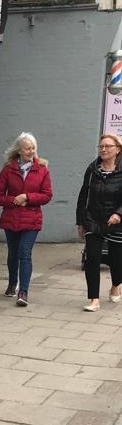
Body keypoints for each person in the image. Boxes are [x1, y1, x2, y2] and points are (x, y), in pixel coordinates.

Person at [0, 132, 53, 307]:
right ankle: (12, 282)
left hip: (32, 219)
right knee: (13, 254)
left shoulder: (42, 169)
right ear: (19, 150)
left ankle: (23, 291)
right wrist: (13, 200)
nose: (31, 151)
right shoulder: (7, 170)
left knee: (24, 253)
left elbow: (47, 195)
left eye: (33, 148)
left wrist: (27, 197)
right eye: (27, 148)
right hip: (11, 217)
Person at [76, 133, 122, 311]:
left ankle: (116, 284)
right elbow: (83, 196)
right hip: (93, 220)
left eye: (108, 146)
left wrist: (119, 214)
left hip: (117, 222)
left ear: (117, 149)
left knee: (117, 261)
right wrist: (81, 221)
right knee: (92, 258)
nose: (103, 149)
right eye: (101, 146)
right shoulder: (92, 169)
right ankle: (94, 299)